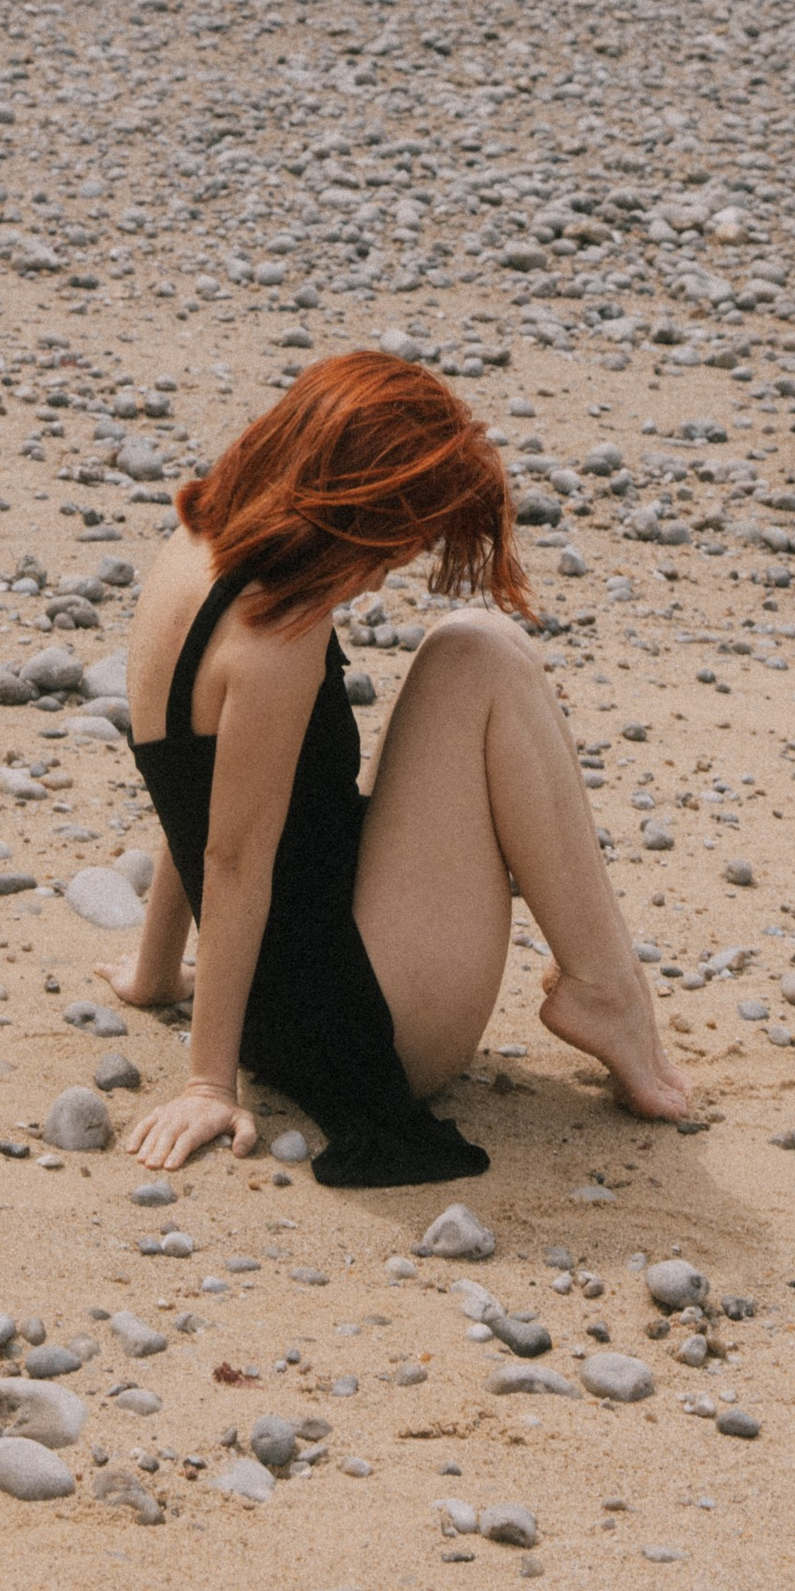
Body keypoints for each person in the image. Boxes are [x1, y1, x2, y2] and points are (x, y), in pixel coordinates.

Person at [102, 348, 689, 1186]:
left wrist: (157, 973)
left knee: (478, 649)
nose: (383, 578)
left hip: (295, 977)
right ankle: (607, 991)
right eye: (391, 548)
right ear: (348, 508)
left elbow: (195, 795)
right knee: (481, 651)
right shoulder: (279, 633)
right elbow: (230, 859)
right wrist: (207, 1082)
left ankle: (607, 987)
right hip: (355, 1021)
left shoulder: (197, 550)